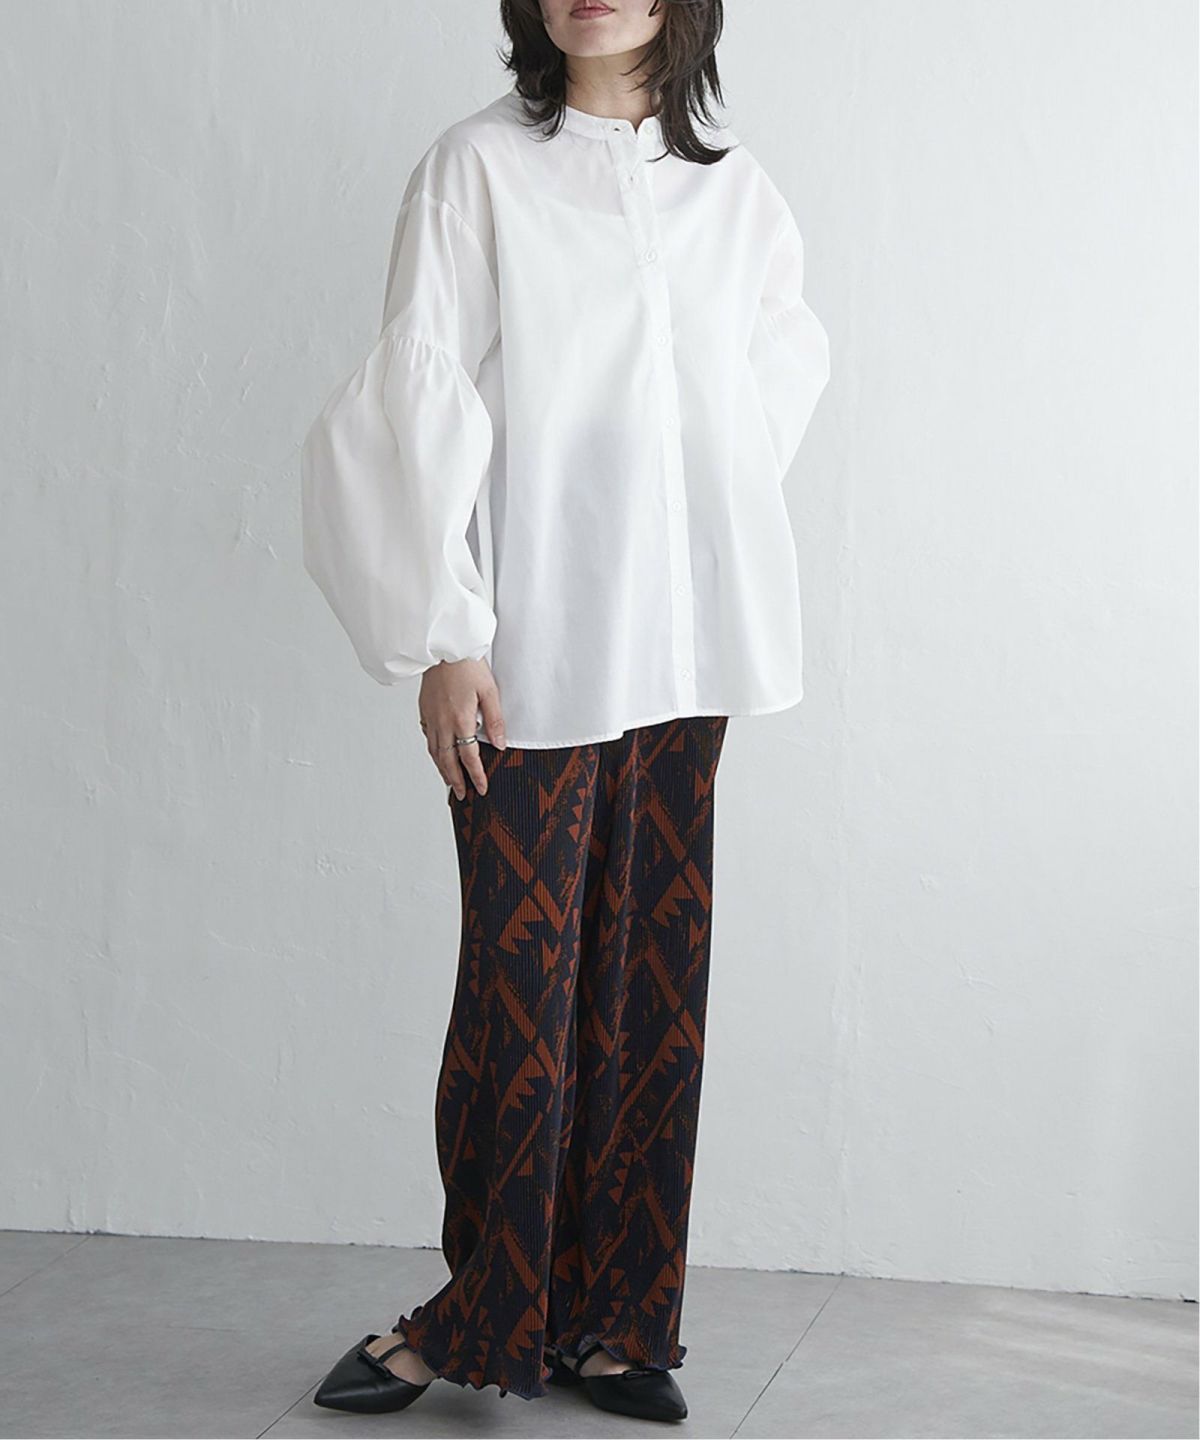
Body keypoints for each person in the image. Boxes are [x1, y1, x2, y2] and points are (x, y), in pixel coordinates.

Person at [298, 0, 829, 1423]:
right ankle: (480, 1317)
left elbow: (773, 376)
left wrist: (699, 538)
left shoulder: (736, 195)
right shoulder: (476, 170)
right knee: (518, 995)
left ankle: (619, 1323)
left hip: (687, 650)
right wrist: (445, 630)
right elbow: (418, 394)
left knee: (653, 985)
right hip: (526, 650)